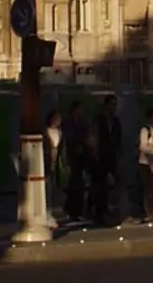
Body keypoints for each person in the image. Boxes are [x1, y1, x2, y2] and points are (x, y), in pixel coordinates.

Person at [90, 95, 122, 225]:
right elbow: (95, 139)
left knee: (111, 186)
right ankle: (99, 213)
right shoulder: (98, 120)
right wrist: (95, 155)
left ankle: (108, 211)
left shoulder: (115, 121)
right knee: (100, 187)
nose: (113, 108)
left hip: (112, 157)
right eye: (111, 105)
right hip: (100, 158)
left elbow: (118, 139)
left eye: (115, 105)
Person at [62, 101, 89, 223]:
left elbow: (86, 135)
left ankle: (77, 210)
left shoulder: (83, 122)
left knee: (79, 184)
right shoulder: (68, 123)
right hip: (72, 155)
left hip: (81, 156)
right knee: (75, 183)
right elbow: (68, 138)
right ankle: (72, 209)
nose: (81, 112)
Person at [44, 109, 65, 219]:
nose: (58, 120)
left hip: (55, 162)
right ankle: (47, 211)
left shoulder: (59, 133)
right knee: (47, 188)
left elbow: (61, 149)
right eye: (56, 118)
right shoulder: (45, 132)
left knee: (54, 187)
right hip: (47, 162)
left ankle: (51, 210)